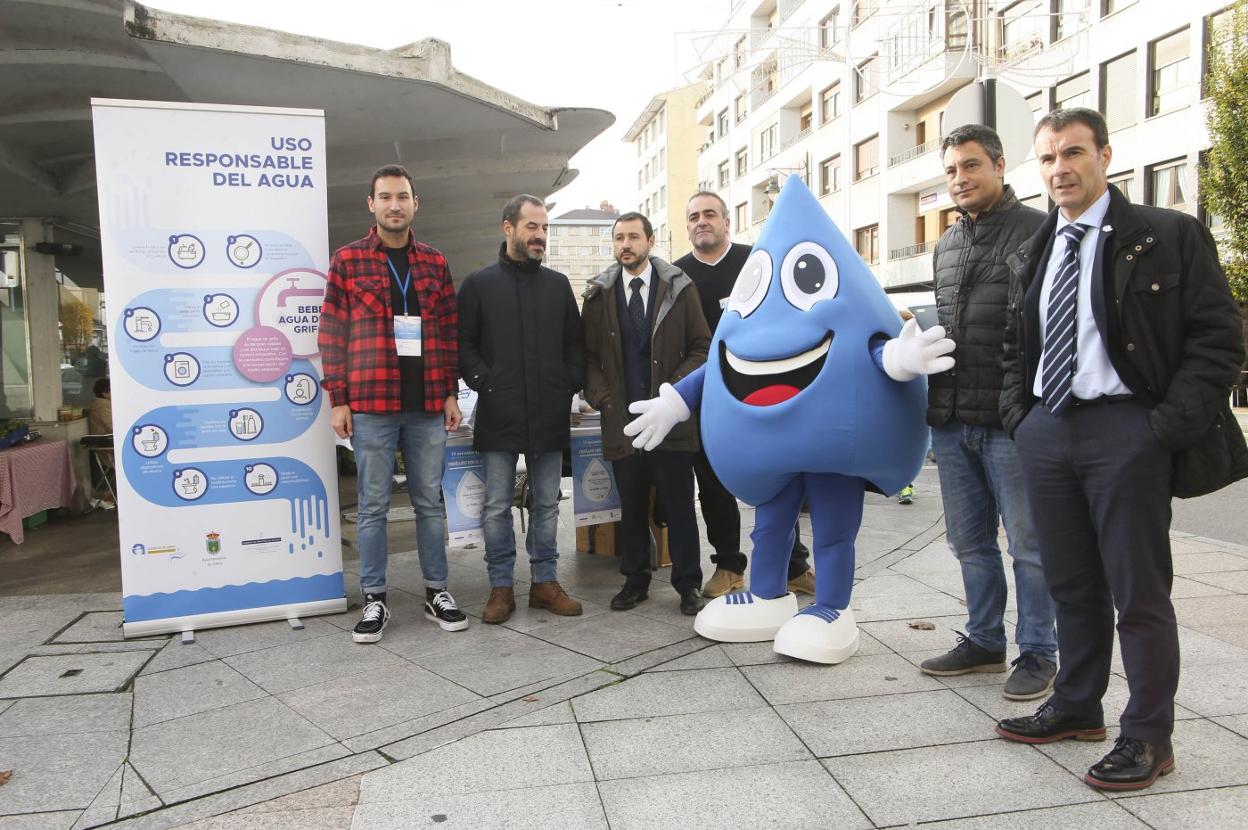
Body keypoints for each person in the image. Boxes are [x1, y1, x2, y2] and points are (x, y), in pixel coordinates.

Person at [996, 108, 1246, 791]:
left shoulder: (1167, 236)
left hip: (1128, 432)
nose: (1060, 169)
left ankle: (1148, 737)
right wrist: (1023, 418)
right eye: (1047, 158)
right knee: (1071, 584)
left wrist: (1160, 428)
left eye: (1073, 152)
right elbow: (1020, 346)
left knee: (1138, 593)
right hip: (1049, 431)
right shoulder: (1035, 249)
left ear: (1105, 155)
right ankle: (1078, 705)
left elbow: (1219, 340)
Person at [918, 124, 1056, 702]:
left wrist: (1030, 410)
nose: (960, 179)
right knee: (968, 542)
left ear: (1000, 166)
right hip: (951, 420)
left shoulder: (1038, 232)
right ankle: (983, 640)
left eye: (971, 166)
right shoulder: (946, 243)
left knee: (1029, 545)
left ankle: (1038, 651)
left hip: (1009, 421)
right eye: (951, 170)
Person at [319, 164, 467, 644]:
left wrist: (449, 391)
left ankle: (436, 592)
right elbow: (331, 334)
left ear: (414, 203)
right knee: (372, 506)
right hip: (370, 402)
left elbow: (447, 332)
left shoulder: (434, 262)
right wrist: (338, 399)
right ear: (371, 204)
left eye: (402, 196)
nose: (394, 205)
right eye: (385, 197)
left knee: (429, 503)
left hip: (425, 402)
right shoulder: (347, 260)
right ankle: (375, 598)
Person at [674, 191, 815, 598]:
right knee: (714, 487)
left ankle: (794, 565)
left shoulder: (758, 262)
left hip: (763, 395)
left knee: (778, 483)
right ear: (688, 226)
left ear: (726, 221)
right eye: (694, 216)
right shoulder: (676, 277)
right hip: (709, 401)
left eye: (710, 214)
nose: (702, 221)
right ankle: (729, 566)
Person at [458, 194, 586, 624]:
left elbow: (575, 343)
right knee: (496, 504)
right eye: (532, 226)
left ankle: (545, 584)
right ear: (508, 228)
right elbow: (464, 343)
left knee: (547, 503)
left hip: (548, 410)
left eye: (544, 228)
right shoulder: (479, 284)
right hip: (500, 410)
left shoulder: (557, 285)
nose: (540, 236)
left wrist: (568, 380)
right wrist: (484, 381)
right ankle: (501, 588)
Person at [582, 212, 710, 616]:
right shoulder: (599, 295)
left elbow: (701, 348)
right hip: (623, 421)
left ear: (650, 241)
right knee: (631, 506)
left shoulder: (679, 288)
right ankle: (634, 581)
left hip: (670, 419)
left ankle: (688, 585)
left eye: (633, 237)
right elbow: (587, 358)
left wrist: (675, 396)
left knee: (678, 505)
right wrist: (604, 398)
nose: (626, 245)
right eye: (619, 238)